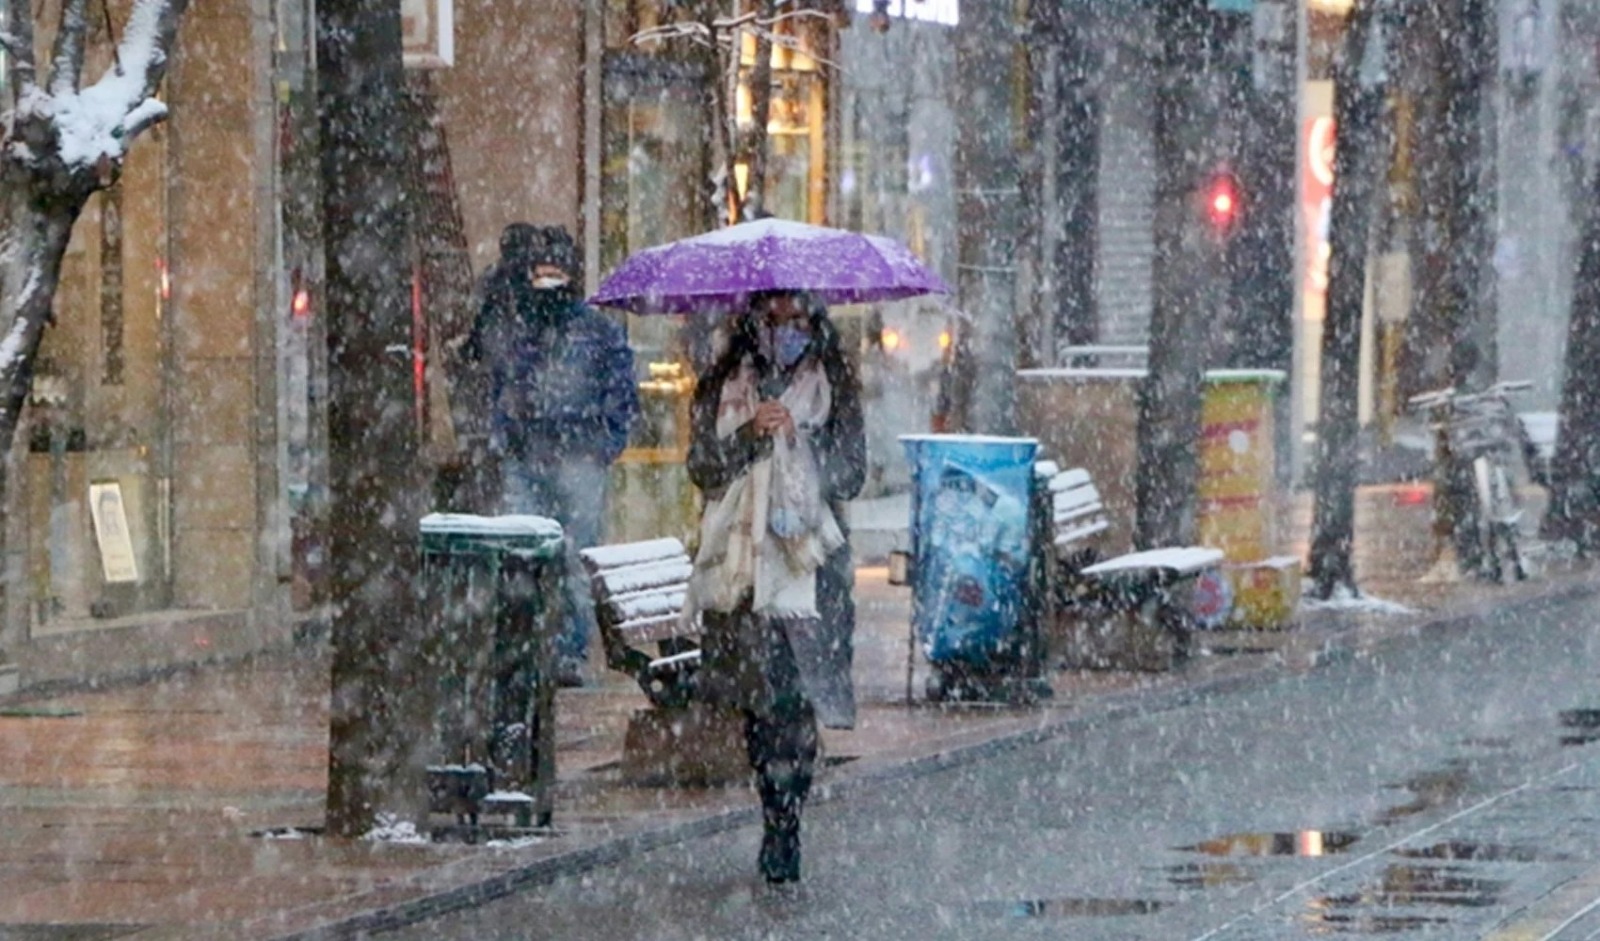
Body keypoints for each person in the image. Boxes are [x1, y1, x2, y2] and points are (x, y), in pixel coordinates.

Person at [684, 290, 865, 884]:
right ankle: (774, 809)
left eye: (797, 320)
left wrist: (799, 442)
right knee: (762, 704)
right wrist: (751, 435)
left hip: (810, 564)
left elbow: (852, 473)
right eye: (774, 319)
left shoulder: (832, 384)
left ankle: (788, 818)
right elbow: (703, 466)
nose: (785, 331)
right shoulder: (724, 382)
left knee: (797, 700)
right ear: (754, 323)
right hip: (744, 568)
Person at [469, 223, 639, 685]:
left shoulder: (595, 332)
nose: (547, 284)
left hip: (578, 460)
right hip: (529, 456)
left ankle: (568, 651)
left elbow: (621, 391)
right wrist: (508, 435)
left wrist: (602, 443)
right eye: (540, 273)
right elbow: (501, 381)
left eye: (555, 273)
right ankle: (527, 650)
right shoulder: (523, 327)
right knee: (522, 556)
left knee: (574, 561)